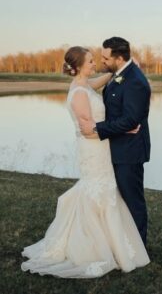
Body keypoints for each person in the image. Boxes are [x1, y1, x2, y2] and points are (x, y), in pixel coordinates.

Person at [21, 46, 150, 278]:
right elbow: (88, 131)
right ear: (79, 66)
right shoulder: (79, 93)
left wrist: (121, 68)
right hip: (93, 149)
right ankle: (91, 246)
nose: (95, 64)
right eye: (91, 61)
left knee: (106, 192)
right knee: (97, 192)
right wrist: (126, 130)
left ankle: (113, 242)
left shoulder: (84, 85)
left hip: (101, 146)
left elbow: (100, 81)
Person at [79, 37, 151, 247]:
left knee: (133, 201)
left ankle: (138, 247)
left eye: (105, 57)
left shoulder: (135, 81)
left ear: (119, 58)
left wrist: (97, 128)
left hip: (129, 151)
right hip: (117, 147)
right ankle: (122, 242)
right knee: (120, 200)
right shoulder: (120, 73)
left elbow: (131, 120)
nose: (102, 60)